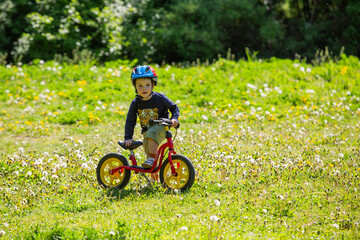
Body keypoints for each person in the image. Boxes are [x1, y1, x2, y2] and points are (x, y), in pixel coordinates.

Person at [124, 65, 180, 168]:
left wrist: (174, 118)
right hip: (146, 131)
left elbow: (174, 107)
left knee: (151, 152)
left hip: (162, 126)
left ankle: (151, 159)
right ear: (135, 87)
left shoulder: (160, 98)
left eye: (147, 85)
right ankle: (154, 177)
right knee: (150, 153)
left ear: (153, 85)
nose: (144, 88)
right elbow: (130, 121)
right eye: (140, 85)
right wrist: (128, 137)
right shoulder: (136, 103)